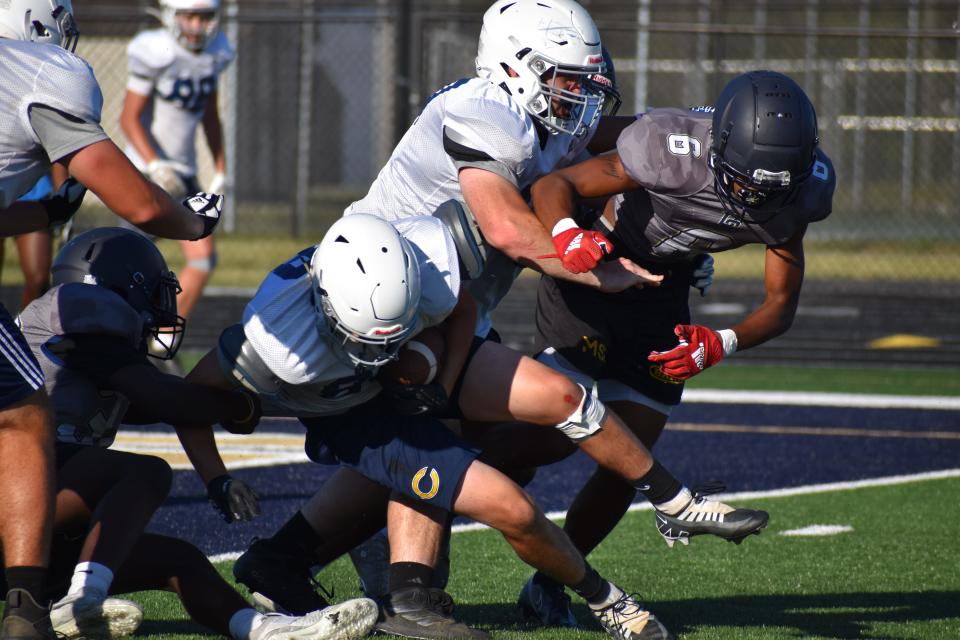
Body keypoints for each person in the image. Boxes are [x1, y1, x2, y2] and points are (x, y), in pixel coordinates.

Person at [320, 0, 766, 613]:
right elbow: (505, 228)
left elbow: (629, 138)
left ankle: (351, 567)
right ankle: (335, 567)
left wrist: (695, 129)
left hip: (446, 306)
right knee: (429, 440)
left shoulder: (540, 117)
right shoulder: (488, 113)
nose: (579, 94)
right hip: (384, 297)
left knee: (447, 439)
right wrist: (597, 270)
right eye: (567, 79)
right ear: (516, 66)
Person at [507, 69, 836, 626]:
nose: (755, 198)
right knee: (543, 443)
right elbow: (552, 185)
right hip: (598, 268)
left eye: (770, 189)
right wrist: (568, 234)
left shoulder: (803, 190)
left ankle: (550, 582)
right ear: (719, 149)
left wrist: (720, 342)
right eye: (743, 182)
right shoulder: (669, 147)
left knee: (629, 457)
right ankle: (440, 495)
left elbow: (780, 306)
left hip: (662, 291)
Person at [12, 227, 378, 640]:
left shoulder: (79, 353)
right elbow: (168, 400)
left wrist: (217, 468)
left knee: (178, 559)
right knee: (145, 473)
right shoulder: (84, 310)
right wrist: (235, 405)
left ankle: (266, 631)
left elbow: (153, 405)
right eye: (154, 292)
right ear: (119, 284)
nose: (162, 305)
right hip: (16, 495)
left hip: (32, 518)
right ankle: (80, 600)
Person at [0, 2, 222, 638]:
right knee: (23, 415)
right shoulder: (49, 73)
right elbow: (141, 205)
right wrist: (192, 221)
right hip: (62, 487)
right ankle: (26, 605)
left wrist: (41, 216)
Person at [120, 0, 232, 333]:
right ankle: (120, 331)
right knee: (131, 261)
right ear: (172, 15)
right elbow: (129, 118)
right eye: (191, 16)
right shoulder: (155, 51)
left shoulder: (215, 54)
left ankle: (162, 332)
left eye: (205, 17)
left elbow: (211, 118)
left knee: (203, 258)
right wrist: (154, 165)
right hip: (144, 170)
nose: (198, 26)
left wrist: (221, 169)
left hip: (182, 172)